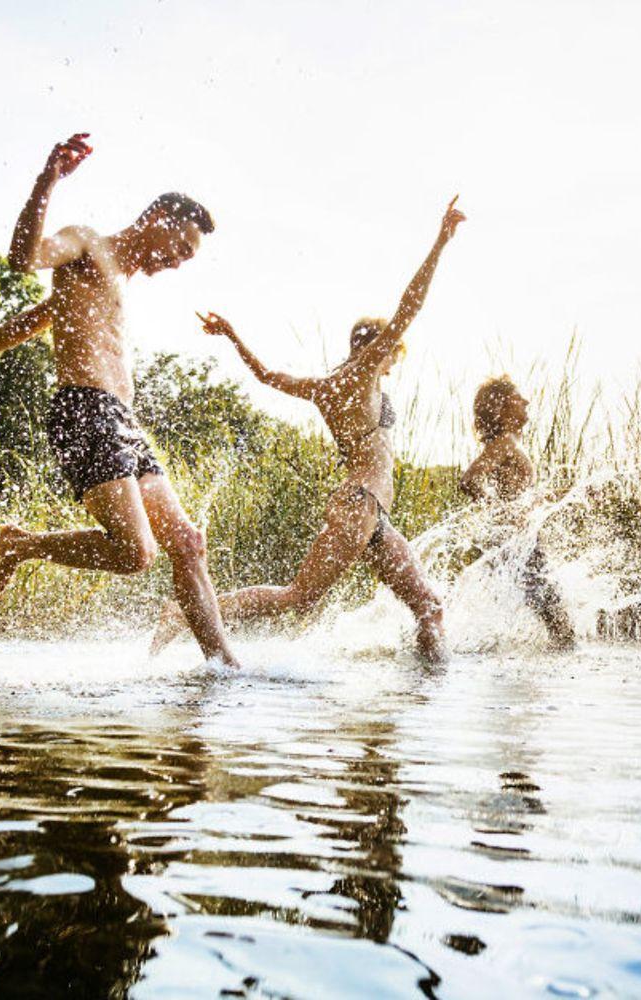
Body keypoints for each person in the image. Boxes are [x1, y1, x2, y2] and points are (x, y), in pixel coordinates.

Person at [0, 132, 240, 667]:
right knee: (136, 553)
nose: (180, 262)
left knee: (188, 541)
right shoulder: (87, 243)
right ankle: (21, 544)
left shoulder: (121, 281)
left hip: (123, 420)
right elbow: (24, 258)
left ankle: (224, 666)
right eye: (182, 247)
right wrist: (48, 179)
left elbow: (39, 318)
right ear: (159, 217)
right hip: (83, 410)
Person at [152, 198, 467, 663]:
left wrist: (234, 337)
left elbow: (264, 375)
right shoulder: (361, 374)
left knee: (428, 606)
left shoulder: (325, 386)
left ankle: (426, 695)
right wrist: (441, 240)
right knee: (298, 597)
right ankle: (183, 612)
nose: (387, 358)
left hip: (371, 513)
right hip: (359, 505)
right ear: (382, 349)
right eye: (386, 350)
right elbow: (410, 305)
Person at [459, 376, 576, 648]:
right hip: (518, 542)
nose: (526, 401)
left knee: (554, 620)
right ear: (501, 408)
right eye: (517, 397)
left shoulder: (510, 442)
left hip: (521, 541)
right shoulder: (504, 442)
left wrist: (565, 495)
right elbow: (469, 480)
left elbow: (519, 495)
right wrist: (503, 514)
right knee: (561, 628)